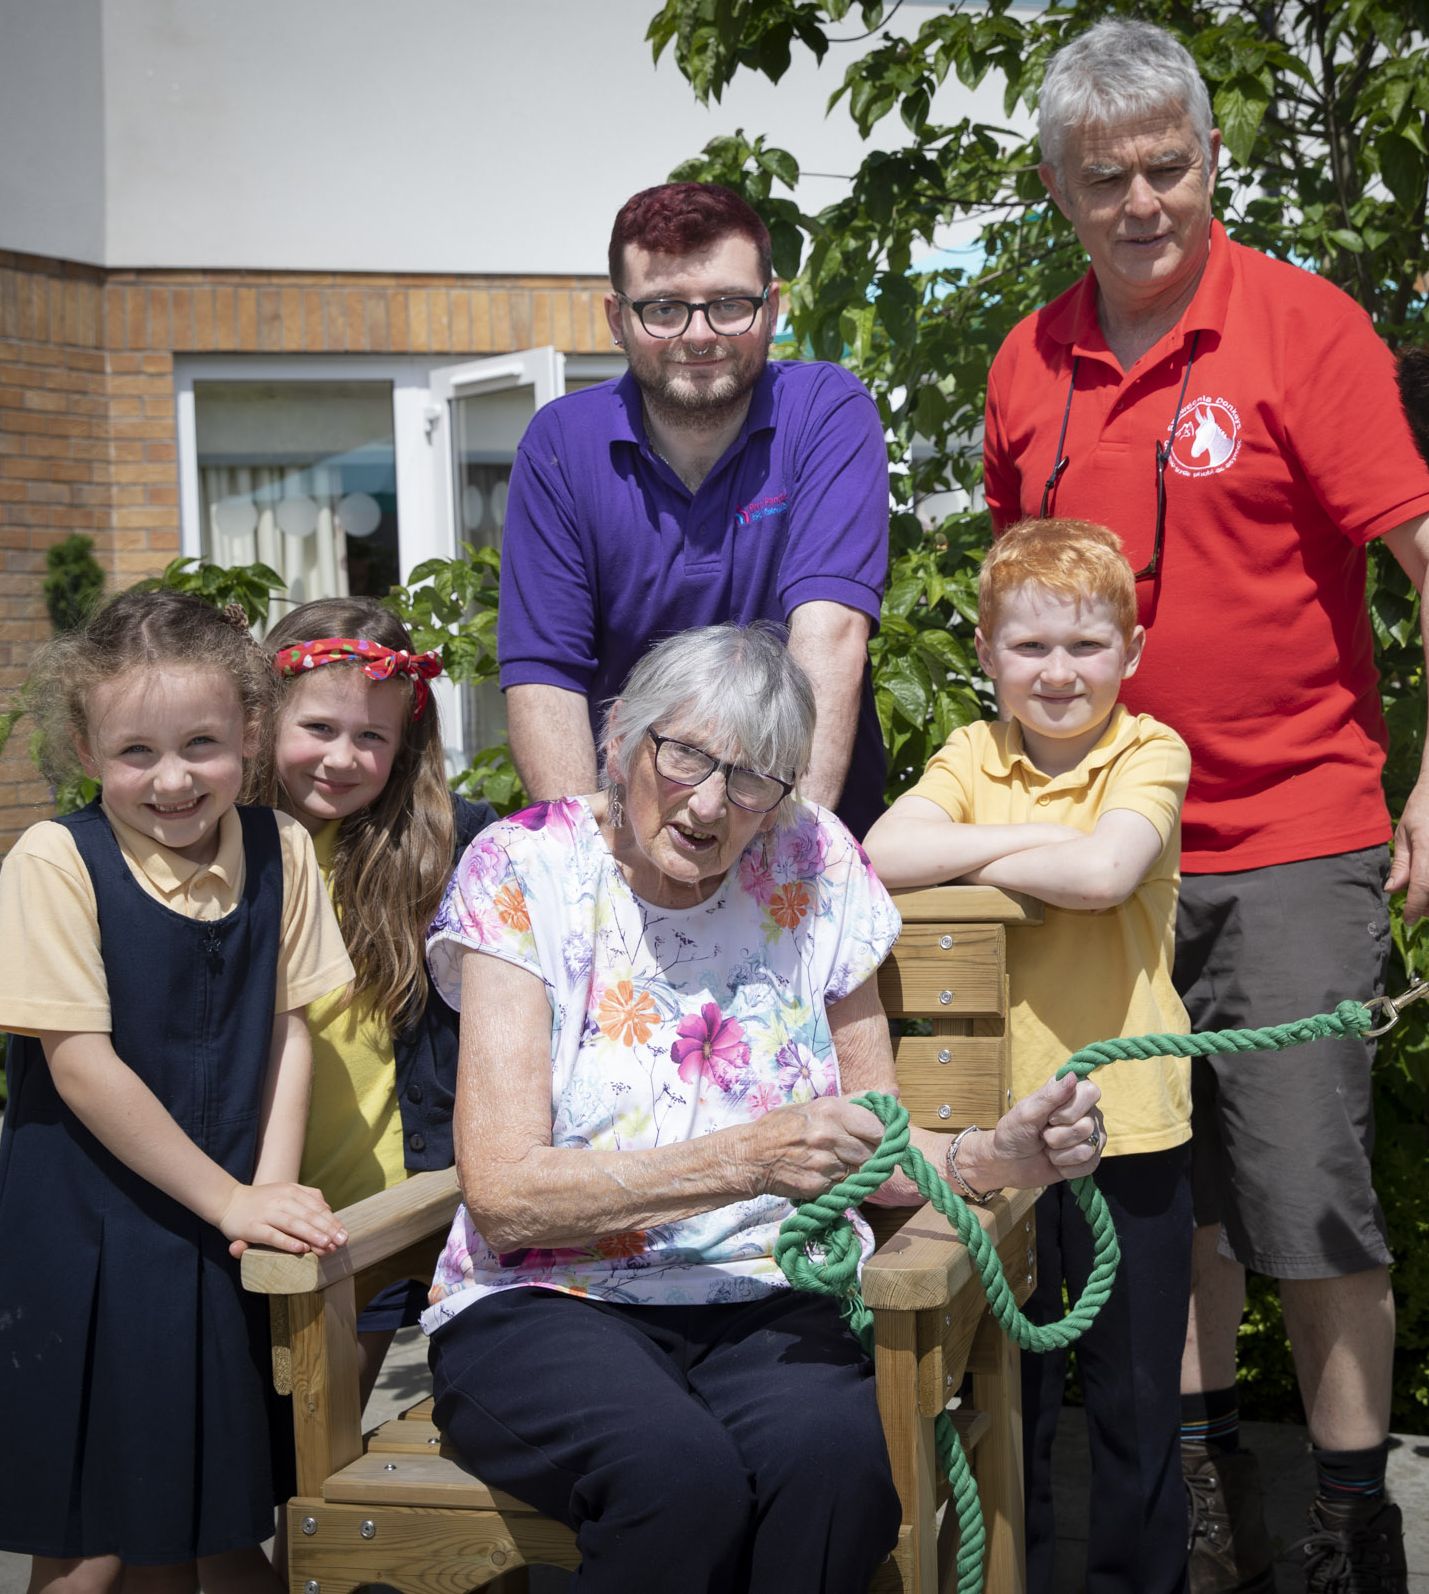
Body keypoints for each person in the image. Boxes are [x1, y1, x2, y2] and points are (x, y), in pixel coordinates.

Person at [981, 17, 1429, 1594]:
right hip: (1095, 860)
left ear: (1211, 158)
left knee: (1306, 1198)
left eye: (1169, 165)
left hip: (1295, 838)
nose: (1143, 201)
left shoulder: (1305, 331)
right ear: (1060, 190)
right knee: (1155, 1192)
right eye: (1105, 177)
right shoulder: (1024, 362)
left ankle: (1353, 1522)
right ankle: (1198, 1506)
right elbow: (1020, 616)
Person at [420, 623, 1108, 1594]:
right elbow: (504, 1195)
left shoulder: (810, 862)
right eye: (687, 755)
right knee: (676, 1481)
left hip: (767, 1297)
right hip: (549, 1301)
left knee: (838, 1470)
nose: (710, 804)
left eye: (751, 781)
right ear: (623, 736)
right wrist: (746, 1162)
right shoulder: (524, 869)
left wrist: (997, 1154)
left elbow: (877, 1148)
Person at [0, 590, 355, 1592]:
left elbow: (291, 1031)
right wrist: (231, 1198)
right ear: (85, 749)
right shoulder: (53, 861)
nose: (172, 779)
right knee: (90, 1544)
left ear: (250, 738)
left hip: (221, 1239)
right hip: (91, 1240)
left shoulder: (282, 850)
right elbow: (80, 1066)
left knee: (209, 1525)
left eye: (202, 743)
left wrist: (269, 1198)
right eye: (135, 753)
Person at [865, 518, 1195, 1594]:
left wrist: (1008, 858)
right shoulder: (971, 753)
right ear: (987, 655)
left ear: (1131, 653)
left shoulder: (1150, 751)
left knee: (1134, 1404)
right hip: (995, 1140)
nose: (1058, 674)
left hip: (1128, 1125)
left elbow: (1109, 877)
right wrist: (1049, 848)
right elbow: (883, 852)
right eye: (1031, 648)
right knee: (1011, 1391)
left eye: (1086, 647)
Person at [500, 182, 891, 833]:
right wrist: (588, 871)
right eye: (663, 309)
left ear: (772, 307)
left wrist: (783, 859)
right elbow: (545, 678)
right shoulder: (561, 444)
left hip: (797, 837)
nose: (699, 334)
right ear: (616, 317)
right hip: (634, 850)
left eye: (729, 305)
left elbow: (829, 639)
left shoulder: (826, 412)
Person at [260, 597, 500, 1404]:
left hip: (380, 1204)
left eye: (372, 736)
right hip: (250, 1191)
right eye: (319, 728)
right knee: (232, 1459)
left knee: (310, 1458)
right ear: (263, 719)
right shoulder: (226, 840)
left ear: (403, 747)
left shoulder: (446, 844)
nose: (342, 757)